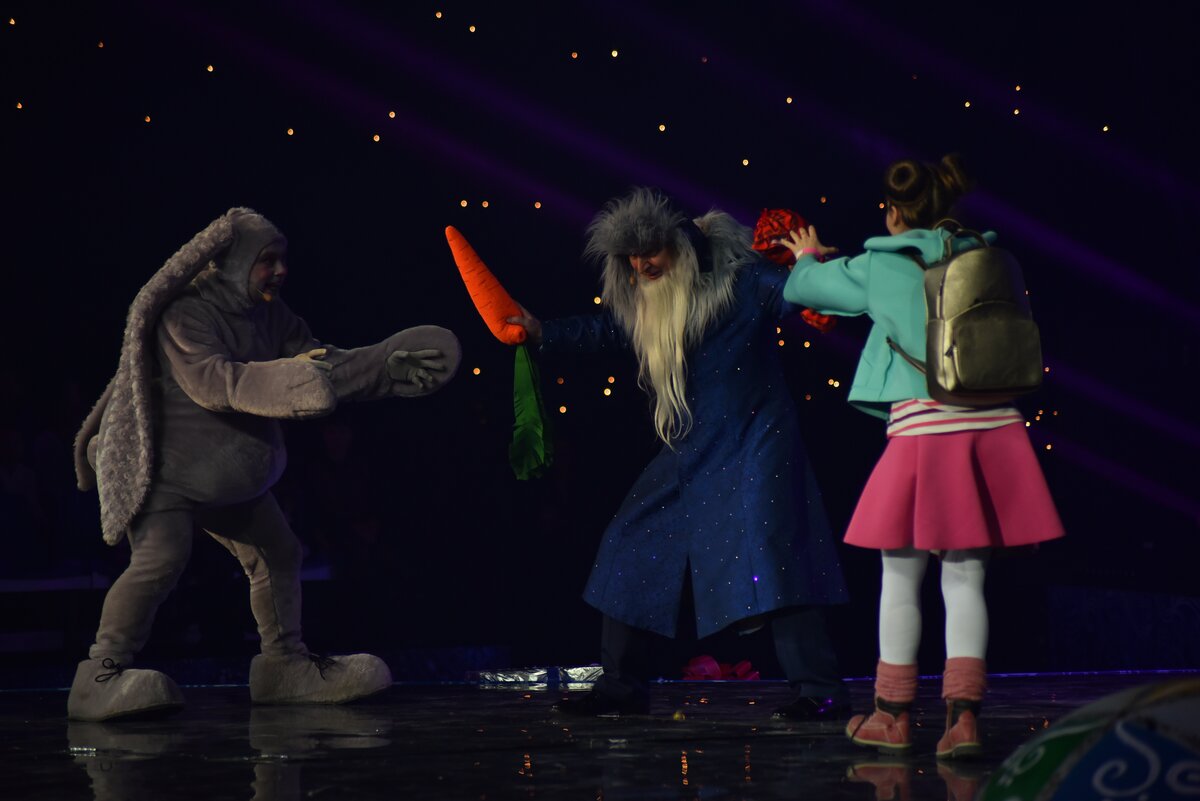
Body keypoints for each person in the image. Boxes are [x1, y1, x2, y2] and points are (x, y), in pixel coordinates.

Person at [69, 207, 460, 721]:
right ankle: (99, 674)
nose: (279, 271)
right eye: (266, 260)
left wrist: (383, 366)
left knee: (279, 553)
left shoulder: (272, 314)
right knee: (161, 559)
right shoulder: (185, 313)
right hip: (167, 472)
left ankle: (284, 666)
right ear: (233, 262)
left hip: (229, 480)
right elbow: (215, 381)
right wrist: (289, 379)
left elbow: (320, 364)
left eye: (282, 259)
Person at [506, 187, 849, 719]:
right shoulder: (650, 299)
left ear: (682, 245)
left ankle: (818, 690)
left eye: (651, 252)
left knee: (773, 553)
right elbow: (606, 330)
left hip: (755, 441)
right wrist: (541, 334)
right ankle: (621, 686)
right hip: (691, 447)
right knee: (629, 539)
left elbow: (794, 295)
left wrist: (813, 266)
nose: (642, 265)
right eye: (632, 257)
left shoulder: (741, 279)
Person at [777, 155, 1064, 757]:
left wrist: (808, 255)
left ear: (894, 212)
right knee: (966, 580)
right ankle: (964, 722)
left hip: (925, 432)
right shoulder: (986, 254)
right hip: (991, 426)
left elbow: (801, 287)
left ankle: (892, 715)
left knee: (901, 577)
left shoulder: (881, 264)